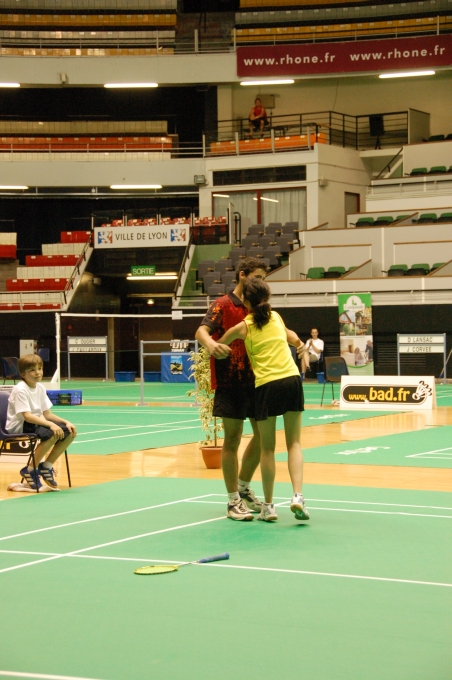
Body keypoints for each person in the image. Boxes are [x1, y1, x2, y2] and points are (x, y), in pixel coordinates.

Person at [218, 278, 310, 523]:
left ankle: (269, 507)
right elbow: (291, 336)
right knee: (294, 443)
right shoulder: (277, 317)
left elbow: (219, 344)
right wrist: (299, 343)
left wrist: (215, 347)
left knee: (267, 448)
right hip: (291, 380)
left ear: (245, 302)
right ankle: (298, 496)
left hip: (266, 386)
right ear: (266, 298)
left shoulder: (243, 327)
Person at [195, 257, 268, 521]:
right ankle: (232, 500)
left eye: (263, 279)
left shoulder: (258, 306)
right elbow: (201, 331)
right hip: (230, 381)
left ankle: (243, 488)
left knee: (264, 437)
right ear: (242, 275)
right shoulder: (223, 304)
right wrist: (211, 345)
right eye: (257, 277)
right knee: (233, 439)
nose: (261, 283)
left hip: (258, 380)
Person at [6, 354, 77, 491]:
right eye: (32, 370)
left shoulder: (40, 388)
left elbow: (47, 414)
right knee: (51, 433)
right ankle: (30, 470)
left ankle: (46, 466)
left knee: (69, 432)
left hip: (34, 423)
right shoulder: (20, 389)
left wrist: (66, 422)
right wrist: (50, 424)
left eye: (39, 368)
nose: (37, 372)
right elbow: (27, 416)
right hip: (19, 425)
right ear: (23, 374)